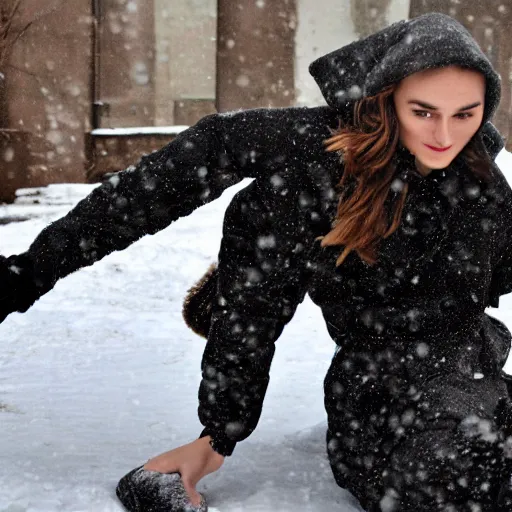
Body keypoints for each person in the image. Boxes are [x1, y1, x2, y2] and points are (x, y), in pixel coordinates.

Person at [1, 11, 512, 511]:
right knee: (453, 477)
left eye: (464, 114)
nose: (445, 134)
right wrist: (218, 434)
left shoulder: (481, 183)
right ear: (387, 99)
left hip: (472, 374)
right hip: (381, 395)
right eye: (423, 111)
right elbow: (160, 193)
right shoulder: (310, 168)